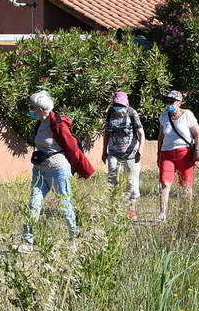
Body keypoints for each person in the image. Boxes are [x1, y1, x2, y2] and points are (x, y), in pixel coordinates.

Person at [20, 90, 93, 248]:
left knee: (64, 204)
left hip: (58, 170)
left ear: (40, 109)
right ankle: (27, 240)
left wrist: (79, 167)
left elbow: (72, 148)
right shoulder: (40, 123)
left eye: (33, 107)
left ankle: (74, 237)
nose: (31, 110)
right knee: (33, 203)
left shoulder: (58, 124)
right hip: (39, 170)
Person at [157, 90, 199, 221]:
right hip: (166, 153)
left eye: (172, 101)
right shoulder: (163, 117)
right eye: (167, 101)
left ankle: (186, 214)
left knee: (186, 184)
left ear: (179, 103)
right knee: (165, 183)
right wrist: (158, 154)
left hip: (185, 153)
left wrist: (197, 150)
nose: (169, 104)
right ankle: (162, 214)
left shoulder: (187, 115)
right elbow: (161, 137)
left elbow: (198, 134)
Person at [101, 91, 144, 219]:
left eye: (120, 105)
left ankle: (131, 209)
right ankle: (113, 209)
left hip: (131, 153)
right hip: (113, 152)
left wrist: (140, 150)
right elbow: (107, 133)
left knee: (132, 182)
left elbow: (141, 133)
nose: (118, 107)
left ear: (126, 105)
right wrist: (104, 151)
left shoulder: (132, 113)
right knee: (112, 180)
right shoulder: (110, 113)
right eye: (116, 105)